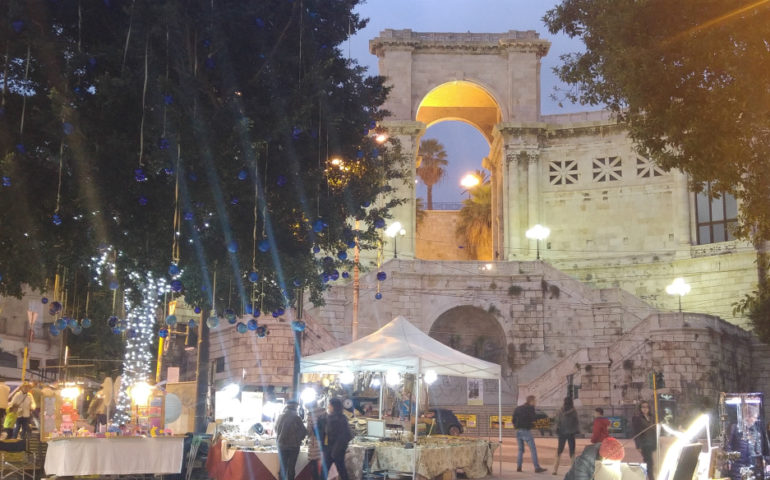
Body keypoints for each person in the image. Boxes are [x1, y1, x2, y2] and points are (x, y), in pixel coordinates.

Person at [513, 395, 547, 473]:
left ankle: (519, 466)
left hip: (518, 431)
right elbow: (533, 419)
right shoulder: (530, 408)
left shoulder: (518, 408)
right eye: (535, 401)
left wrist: (516, 426)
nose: (535, 403)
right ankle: (536, 467)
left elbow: (513, 419)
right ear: (531, 401)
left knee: (520, 450)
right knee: (533, 449)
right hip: (526, 431)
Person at [727, 403, 762, 480]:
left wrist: (759, 457)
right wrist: (730, 461)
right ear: (748, 416)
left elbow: (757, 447)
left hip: (750, 465)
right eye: (754, 417)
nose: (755, 420)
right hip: (737, 466)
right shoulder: (734, 427)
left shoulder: (754, 430)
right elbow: (728, 446)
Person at [275, 401, 307, 480]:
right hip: (294, 446)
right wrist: (299, 439)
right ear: (296, 407)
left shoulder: (280, 416)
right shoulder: (297, 418)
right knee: (291, 468)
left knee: (283, 467)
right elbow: (304, 431)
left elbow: (276, 429)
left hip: (281, 445)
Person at [324, 398, 352, 480]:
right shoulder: (329, 417)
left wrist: (336, 450)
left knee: (342, 471)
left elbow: (346, 435)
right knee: (325, 471)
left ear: (334, 406)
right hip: (329, 449)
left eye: (330, 405)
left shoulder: (341, 419)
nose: (328, 406)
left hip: (337, 450)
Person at [553, 396, 580, 475]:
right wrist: (577, 430)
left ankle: (555, 470)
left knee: (559, 451)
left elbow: (557, 421)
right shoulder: (574, 411)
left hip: (562, 432)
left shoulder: (560, 410)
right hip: (571, 433)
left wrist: (557, 428)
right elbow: (576, 422)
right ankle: (573, 470)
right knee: (572, 452)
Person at [632, 401, 656, 480]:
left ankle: (647, 476)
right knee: (649, 462)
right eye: (643, 407)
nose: (645, 409)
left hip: (651, 442)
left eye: (647, 407)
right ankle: (651, 478)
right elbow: (636, 432)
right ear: (640, 408)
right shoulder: (637, 418)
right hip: (644, 443)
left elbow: (654, 430)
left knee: (650, 462)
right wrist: (638, 446)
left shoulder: (652, 417)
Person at [306, 402, 327, 480]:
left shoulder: (310, 415)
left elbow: (308, 430)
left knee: (314, 464)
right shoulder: (325, 412)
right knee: (323, 466)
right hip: (324, 442)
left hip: (315, 443)